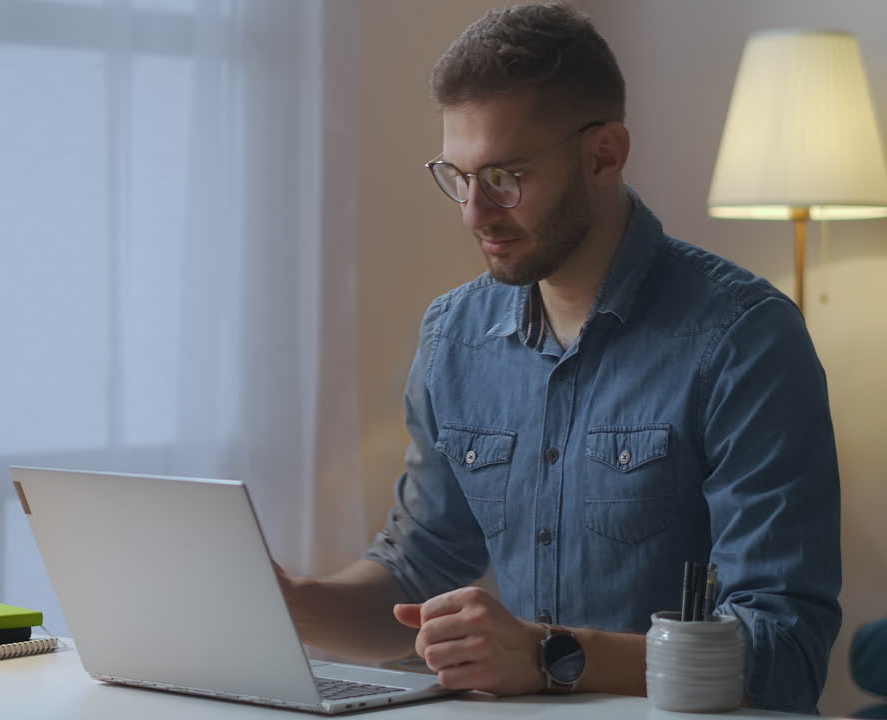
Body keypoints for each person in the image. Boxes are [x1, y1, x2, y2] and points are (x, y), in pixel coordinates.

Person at [276, 2, 841, 713]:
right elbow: (414, 574)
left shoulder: (745, 340)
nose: (474, 214)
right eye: (458, 176)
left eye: (505, 178)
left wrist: (551, 658)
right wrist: (285, 606)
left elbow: (785, 649)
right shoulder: (453, 338)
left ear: (603, 154)